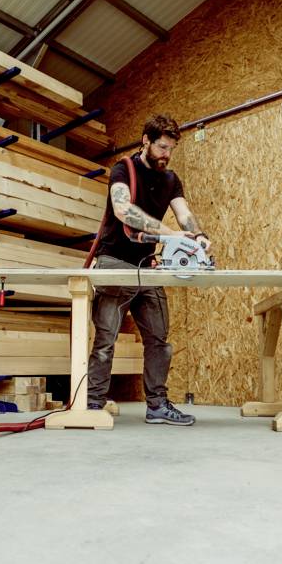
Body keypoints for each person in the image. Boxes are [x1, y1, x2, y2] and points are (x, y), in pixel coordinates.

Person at [85, 114, 212, 425]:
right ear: (146, 141)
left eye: (171, 149)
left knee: (159, 339)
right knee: (105, 340)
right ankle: (91, 405)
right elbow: (123, 209)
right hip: (114, 262)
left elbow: (184, 215)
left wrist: (198, 236)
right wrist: (170, 235)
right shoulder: (123, 169)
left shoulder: (170, 179)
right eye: (162, 147)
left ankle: (157, 406)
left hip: (146, 265)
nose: (166, 155)